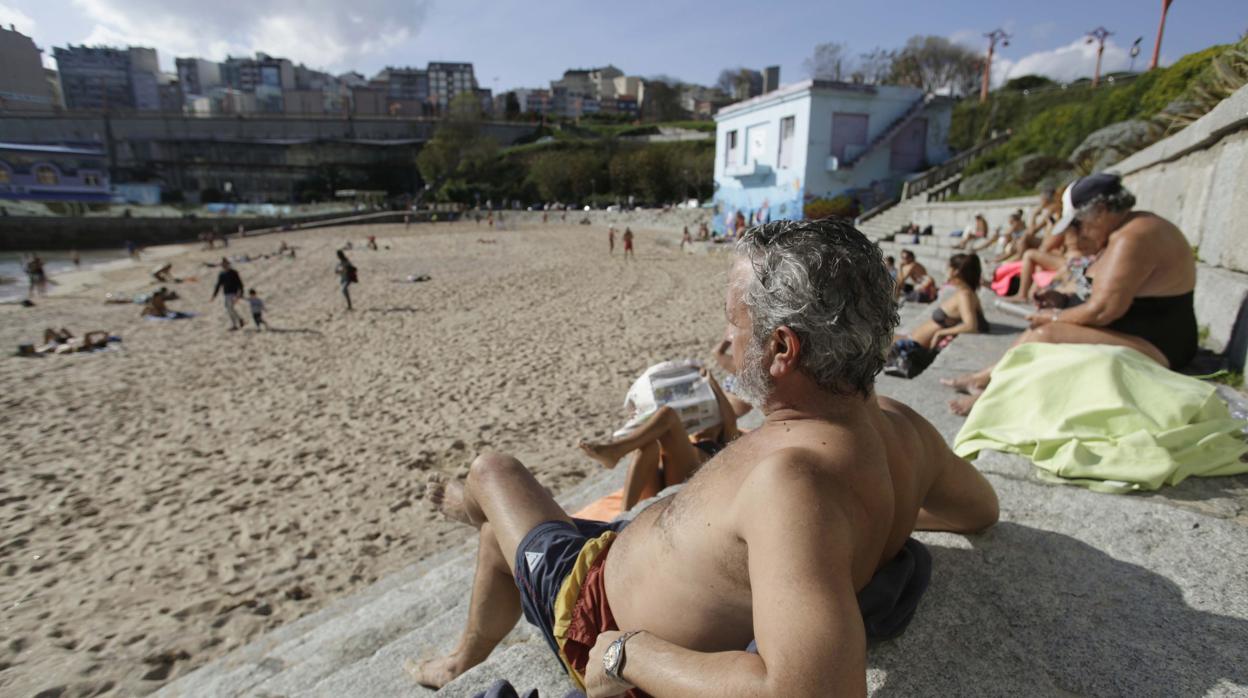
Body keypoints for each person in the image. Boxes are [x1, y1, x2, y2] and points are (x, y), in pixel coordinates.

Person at [406, 218, 1000, 694]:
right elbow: (980, 509)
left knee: (493, 470)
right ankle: (464, 652)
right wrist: (862, 532)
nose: (726, 342)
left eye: (733, 324)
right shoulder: (900, 425)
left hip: (591, 609)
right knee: (501, 542)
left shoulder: (792, 484)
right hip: (628, 554)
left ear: (782, 348)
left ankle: (468, 534)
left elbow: (812, 691)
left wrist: (627, 653)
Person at [944, 174, 1198, 414]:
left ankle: (990, 396)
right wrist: (1062, 301)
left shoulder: (1132, 238)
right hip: (1142, 332)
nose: (1075, 233)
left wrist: (1055, 317)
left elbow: (1103, 310)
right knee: (1043, 328)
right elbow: (1102, 292)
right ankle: (984, 378)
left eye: (1077, 223)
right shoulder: (1128, 229)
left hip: (1161, 346)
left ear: (1100, 211)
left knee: (1046, 334)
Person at [578, 368, 742, 511]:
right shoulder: (689, 439)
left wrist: (713, 383)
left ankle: (616, 451)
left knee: (668, 414)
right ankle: (622, 516)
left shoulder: (725, 440)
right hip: (663, 481)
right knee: (647, 446)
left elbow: (731, 420)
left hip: (689, 477)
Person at [896, 253, 989, 351]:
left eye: (948, 267)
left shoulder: (965, 295)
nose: (946, 270)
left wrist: (941, 333)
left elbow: (971, 326)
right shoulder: (964, 292)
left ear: (955, 271)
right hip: (911, 339)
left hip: (912, 346)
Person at [211, 258, 245, 330]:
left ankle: (235, 324)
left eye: (226, 264)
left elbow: (240, 283)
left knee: (230, 308)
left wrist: (241, 293)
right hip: (226, 294)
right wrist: (214, 295)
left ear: (228, 264)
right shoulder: (222, 274)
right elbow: (218, 285)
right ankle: (239, 320)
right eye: (223, 264)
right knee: (230, 309)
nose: (225, 266)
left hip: (233, 293)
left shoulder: (234, 273)